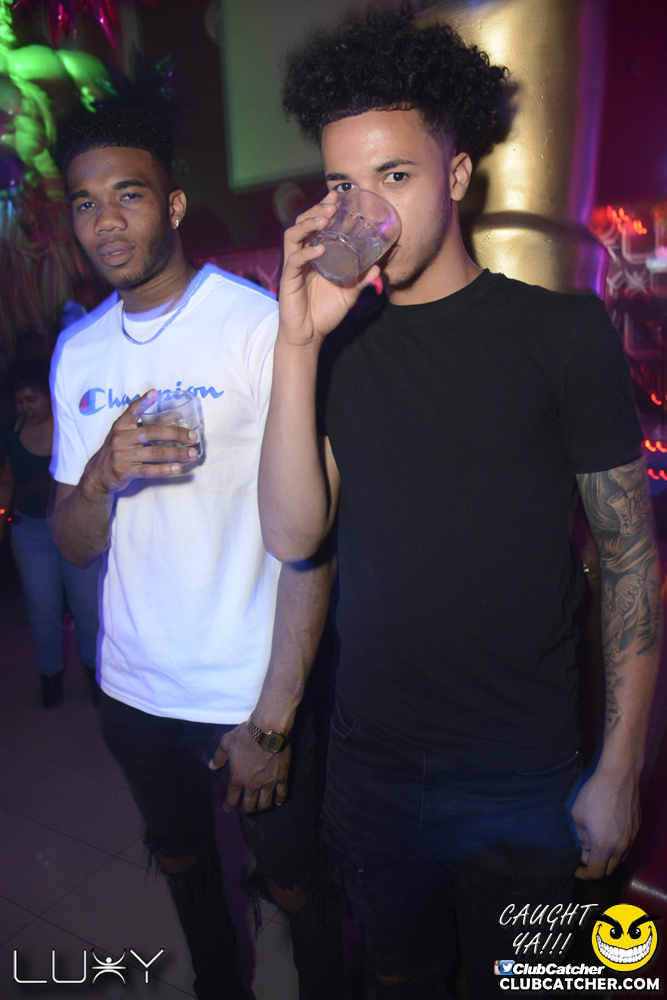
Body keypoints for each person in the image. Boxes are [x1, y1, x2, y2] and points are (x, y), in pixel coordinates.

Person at [258, 6, 662, 999]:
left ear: (455, 175)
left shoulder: (560, 333)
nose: (366, 210)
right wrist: (296, 341)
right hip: (372, 765)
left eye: (394, 175)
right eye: (343, 185)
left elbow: (627, 559)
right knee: (401, 976)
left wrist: (617, 768)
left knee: (530, 983)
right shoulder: (336, 347)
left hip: (520, 770)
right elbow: (295, 534)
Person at [49, 103, 343, 1000]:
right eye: (85, 203)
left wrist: (272, 721)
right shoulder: (77, 352)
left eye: (128, 195)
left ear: (173, 205)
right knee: (184, 869)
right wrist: (98, 477)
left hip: (245, 691)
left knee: (295, 884)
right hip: (133, 690)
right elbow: (72, 542)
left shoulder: (257, 326)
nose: (105, 221)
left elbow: (313, 544)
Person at [0, 359, 100, 707]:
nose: (25, 407)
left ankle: (96, 676)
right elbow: (7, 483)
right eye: (19, 401)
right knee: (42, 610)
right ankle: (50, 678)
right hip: (31, 532)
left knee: (88, 607)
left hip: (74, 526)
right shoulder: (11, 432)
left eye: (32, 398)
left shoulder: (71, 426)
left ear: (48, 395)